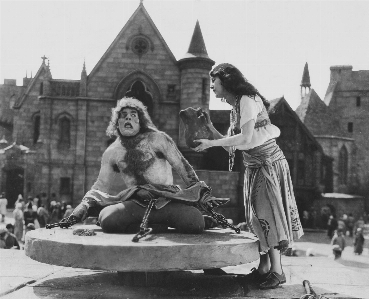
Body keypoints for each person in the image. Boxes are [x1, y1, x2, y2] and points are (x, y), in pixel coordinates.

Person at [193, 63, 303, 289]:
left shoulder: (246, 100)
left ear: (226, 81)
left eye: (215, 81)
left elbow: (244, 139)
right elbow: (233, 147)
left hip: (267, 164)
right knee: (256, 219)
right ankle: (264, 269)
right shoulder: (236, 106)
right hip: (254, 165)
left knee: (266, 215)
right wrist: (209, 127)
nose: (212, 86)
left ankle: (278, 271)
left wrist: (211, 142)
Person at [67, 97, 224, 235]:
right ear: (117, 122)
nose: (128, 118)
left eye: (133, 115)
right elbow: (101, 184)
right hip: (135, 203)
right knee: (108, 220)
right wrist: (84, 204)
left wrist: (202, 194)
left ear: (139, 121)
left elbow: (182, 167)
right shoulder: (112, 152)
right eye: (123, 116)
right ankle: (154, 226)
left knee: (194, 222)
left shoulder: (158, 139)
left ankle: (161, 223)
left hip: (166, 200)